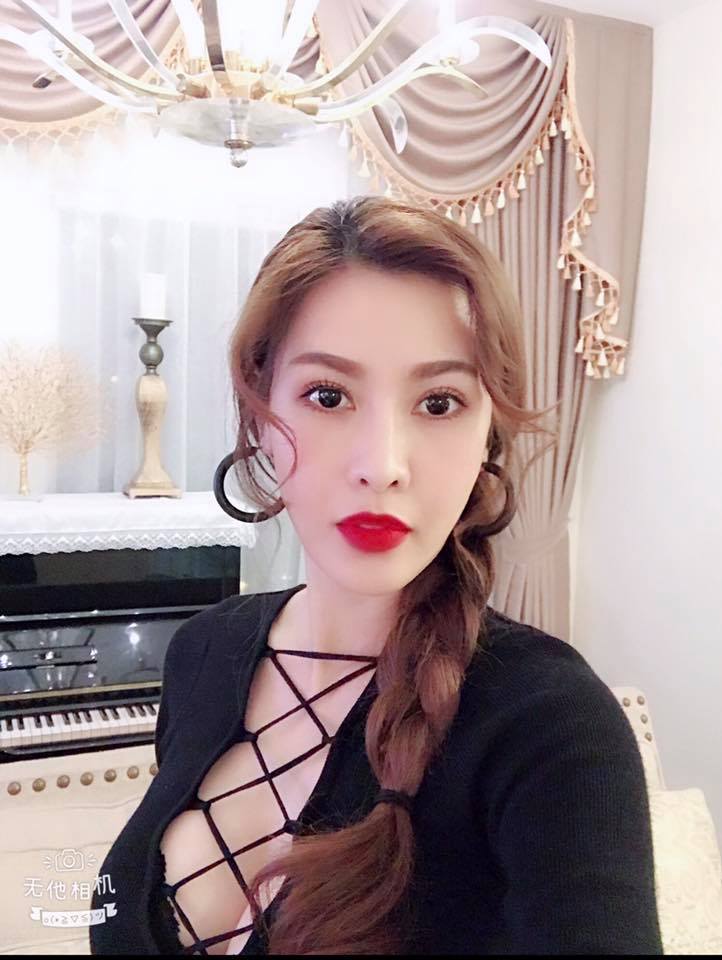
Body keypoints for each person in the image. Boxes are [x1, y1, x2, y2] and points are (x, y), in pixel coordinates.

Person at [90, 196, 663, 955]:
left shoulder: (551, 727)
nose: (383, 466)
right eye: (328, 396)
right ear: (260, 415)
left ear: (487, 433)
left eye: (439, 402)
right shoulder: (203, 651)